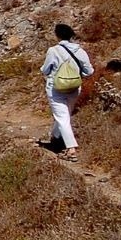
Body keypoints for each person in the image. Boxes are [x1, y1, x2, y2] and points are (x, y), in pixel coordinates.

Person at [39, 23, 95, 162]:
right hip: (74, 88)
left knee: (62, 117)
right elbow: (89, 72)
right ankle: (56, 138)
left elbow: (45, 70)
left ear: (57, 35)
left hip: (56, 88)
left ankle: (71, 149)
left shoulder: (53, 50)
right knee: (65, 115)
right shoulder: (80, 51)